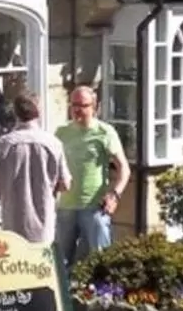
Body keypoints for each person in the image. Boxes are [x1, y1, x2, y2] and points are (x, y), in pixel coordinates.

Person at [54, 86, 129, 269]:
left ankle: (104, 296)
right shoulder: (61, 133)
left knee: (100, 260)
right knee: (61, 263)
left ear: (94, 107)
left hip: (94, 207)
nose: (77, 110)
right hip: (66, 206)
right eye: (74, 105)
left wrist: (115, 195)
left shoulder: (104, 132)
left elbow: (124, 169)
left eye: (83, 105)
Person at [0, 91, 69, 245]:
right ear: (39, 112)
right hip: (43, 225)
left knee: (16, 266)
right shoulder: (53, 144)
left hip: (13, 223)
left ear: (15, 113)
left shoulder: (3, 145)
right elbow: (65, 184)